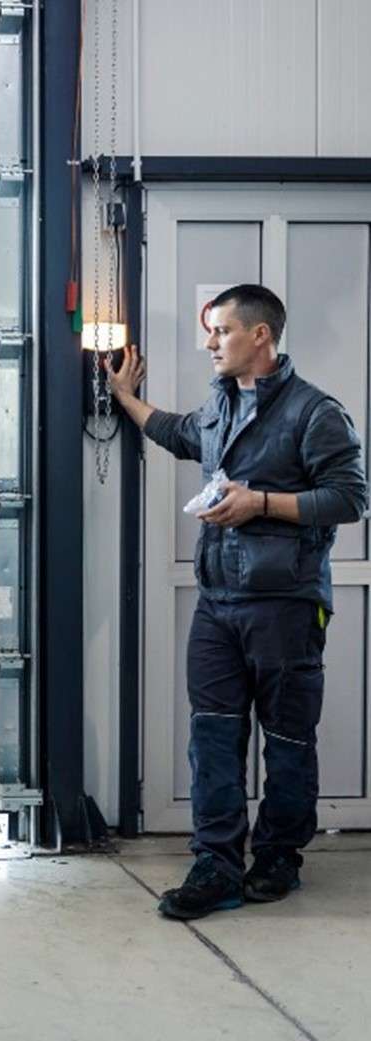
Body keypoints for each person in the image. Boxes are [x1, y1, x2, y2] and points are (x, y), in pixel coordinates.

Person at [107, 283, 367, 920]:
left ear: (260, 336)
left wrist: (262, 503)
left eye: (221, 331)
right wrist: (124, 399)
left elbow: (351, 498)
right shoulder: (220, 405)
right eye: (209, 332)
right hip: (218, 603)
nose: (210, 343)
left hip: (285, 603)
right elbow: (178, 433)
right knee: (214, 737)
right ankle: (216, 866)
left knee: (286, 739)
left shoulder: (315, 413)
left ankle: (278, 858)